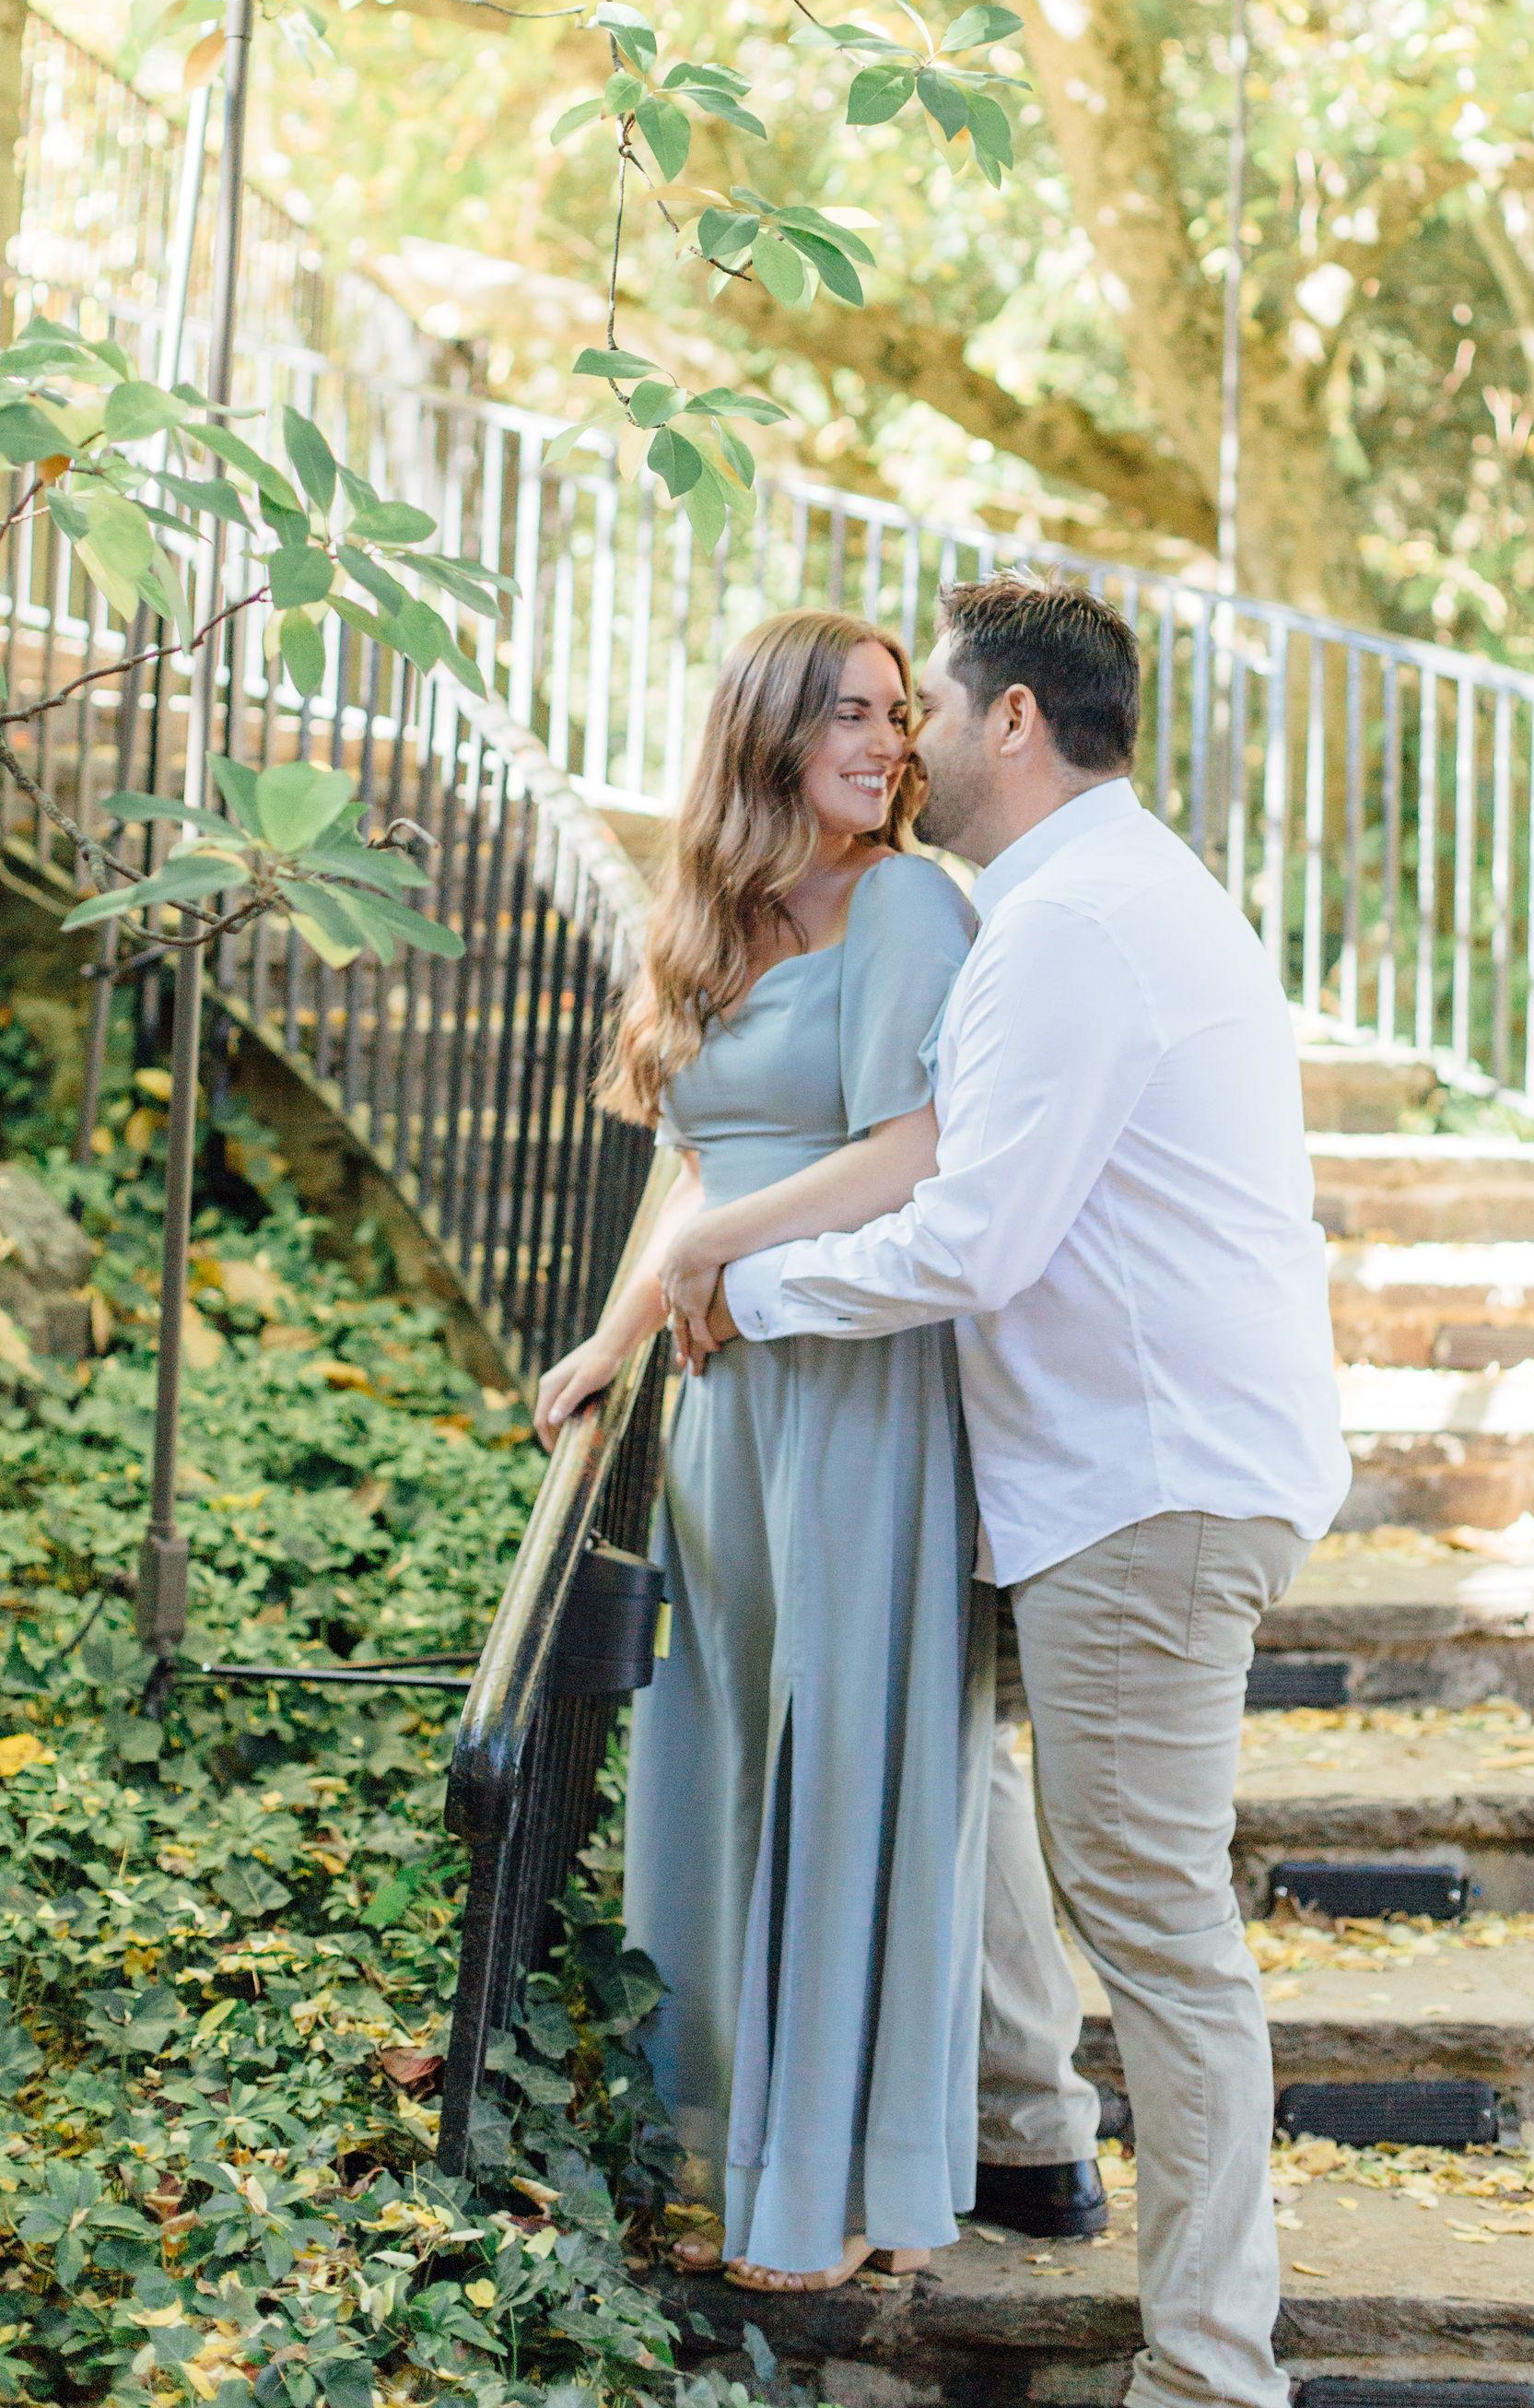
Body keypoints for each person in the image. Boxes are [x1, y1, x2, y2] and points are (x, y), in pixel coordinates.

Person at [667, 579, 1352, 2408]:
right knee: (937, 1735)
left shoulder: (1069, 930)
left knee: (1153, 1919)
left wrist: (749, 1287)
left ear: (1016, 723)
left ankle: (1213, 2363)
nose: (909, 747)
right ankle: (1030, 2130)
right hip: (1105, 1467)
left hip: (1150, 1485)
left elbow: (974, 1235)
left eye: (934, 710)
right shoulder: (1097, 897)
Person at [535, 607, 1076, 2292]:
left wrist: (724, 1255)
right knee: (729, 1755)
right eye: (851, 712)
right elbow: (691, 1168)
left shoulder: (910, 899)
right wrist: (618, 1338)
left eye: (904, 716)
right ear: (767, 731)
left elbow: (915, 1151)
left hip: (850, 1380)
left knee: (847, 1762)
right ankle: (720, 2145)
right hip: (725, 1405)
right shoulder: (712, 928)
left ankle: (840, 2180)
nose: (888, 743)